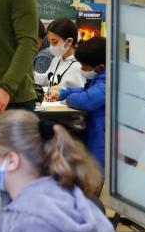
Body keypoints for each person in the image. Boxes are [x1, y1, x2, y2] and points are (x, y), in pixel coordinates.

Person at [46, 36, 107, 167]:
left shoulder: (108, 81)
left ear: (100, 67)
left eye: (85, 68)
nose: (82, 71)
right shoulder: (101, 77)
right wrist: (63, 93)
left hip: (102, 140)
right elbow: (85, 90)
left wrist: (68, 100)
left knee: (97, 173)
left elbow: (88, 99)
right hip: (98, 134)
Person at [33, 17, 86, 91]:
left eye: (55, 42)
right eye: (49, 42)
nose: (51, 46)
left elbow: (82, 91)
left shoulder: (80, 65)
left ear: (69, 41)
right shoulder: (56, 59)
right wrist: (32, 75)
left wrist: (62, 90)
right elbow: (47, 79)